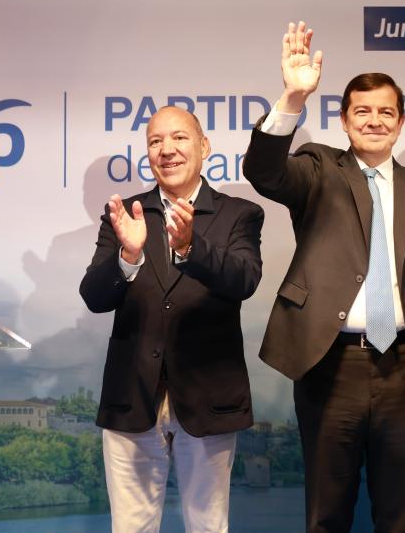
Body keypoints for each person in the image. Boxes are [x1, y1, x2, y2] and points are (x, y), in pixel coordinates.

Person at [243, 21, 405, 533]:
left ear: (401, 121)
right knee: (327, 514)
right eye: (361, 112)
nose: (374, 121)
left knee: (398, 517)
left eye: (385, 112)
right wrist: (293, 96)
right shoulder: (318, 167)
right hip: (330, 363)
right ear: (344, 121)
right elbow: (265, 172)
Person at [80, 105, 264, 532]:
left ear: (204, 147)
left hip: (208, 398)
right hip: (132, 399)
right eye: (155, 141)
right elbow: (94, 296)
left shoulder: (239, 214)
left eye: (179, 138)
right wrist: (128, 256)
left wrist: (190, 248)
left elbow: (244, 279)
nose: (167, 150)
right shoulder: (126, 215)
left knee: (207, 526)